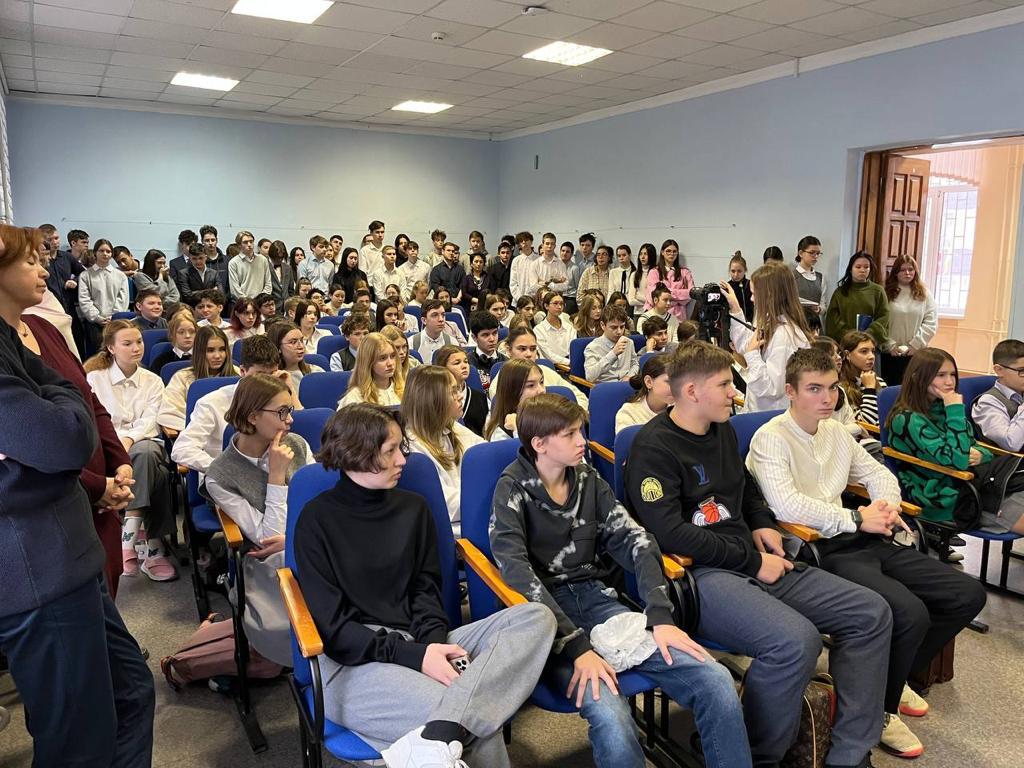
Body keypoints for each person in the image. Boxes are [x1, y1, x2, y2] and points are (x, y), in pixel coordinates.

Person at [628, 341, 894, 768]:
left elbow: (745, 485)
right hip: (702, 577)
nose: (734, 392)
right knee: (796, 641)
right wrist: (752, 562)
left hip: (752, 557)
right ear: (692, 391)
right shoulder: (652, 448)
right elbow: (670, 533)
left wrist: (761, 521)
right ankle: (756, 756)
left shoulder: (721, 429)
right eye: (724, 384)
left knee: (871, 613)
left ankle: (847, 753)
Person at [748, 347, 988, 758]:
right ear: (790, 392)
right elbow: (788, 506)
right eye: (814, 389)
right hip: (819, 547)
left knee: (966, 594)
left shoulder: (836, 432)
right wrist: (857, 518)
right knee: (909, 612)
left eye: (833, 389)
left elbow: (878, 473)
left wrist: (887, 507)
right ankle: (882, 709)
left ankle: (890, 676)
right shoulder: (771, 437)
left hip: (863, 534)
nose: (827, 398)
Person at [492, 394, 751, 768]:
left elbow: (636, 539)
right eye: (570, 434)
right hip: (545, 618)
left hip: (598, 600)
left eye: (580, 430)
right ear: (540, 444)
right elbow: (516, 572)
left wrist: (659, 616)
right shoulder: (512, 488)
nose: (582, 440)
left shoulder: (587, 478)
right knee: (612, 716)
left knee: (715, 679)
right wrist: (577, 647)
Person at [294, 404, 554, 767]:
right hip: (355, 661)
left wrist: (432, 647)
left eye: (401, 448)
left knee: (535, 618)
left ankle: (436, 736)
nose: (403, 459)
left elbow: (425, 591)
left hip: (420, 639)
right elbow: (336, 631)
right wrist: (418, 657)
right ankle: (449, 725)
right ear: (355, 454)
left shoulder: (413, 509)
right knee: (477, 727)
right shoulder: (316, 520)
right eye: (390, 451)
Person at [0, 223, 154, 768]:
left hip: (70, 553)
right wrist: (62, 403)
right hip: (37, 568)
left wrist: (104, 457)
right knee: (76, 736)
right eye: (29, 260)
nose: (43, 267)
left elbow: (83, 408)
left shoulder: (33, 332)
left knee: (131, 693)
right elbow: (64, 439)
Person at [201, 373, 314, 666]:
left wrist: (294, 540)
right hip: (270, 563)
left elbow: (318, 508)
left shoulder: (297, 444)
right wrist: (276, 476)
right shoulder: (220, 476)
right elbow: (268, 537)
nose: (290, 420)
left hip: (309, 544)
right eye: (282, 412)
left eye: (290, 410)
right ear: (253, 416)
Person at [889, 347, 1024, 534]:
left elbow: (977, 447)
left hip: (974, 484)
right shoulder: (907, 419)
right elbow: (958, 461)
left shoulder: (943, 406)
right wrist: (954, 411)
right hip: (943, 496)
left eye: (952, 374)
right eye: (941, 375)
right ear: (917, 377)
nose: (949, 382)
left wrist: (981, 455)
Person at [84, 320, 177, 582]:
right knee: (158, 474)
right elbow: (96, 420)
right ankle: (154, 547)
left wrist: (128, 439)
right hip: (105, 446)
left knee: (145, 453)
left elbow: (152, 420)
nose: (136, 348)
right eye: (127, 343)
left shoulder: (153, 380)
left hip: (144, 441)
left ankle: (128, 537)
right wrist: (118, 443)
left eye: (139, 342)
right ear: (111, 348)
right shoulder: (95, 378)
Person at [172, 335, 299, 475]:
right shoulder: (211, 403)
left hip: (272, 472)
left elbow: (301, 431)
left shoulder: (280, 402)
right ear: (243, 371)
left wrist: (289, 389)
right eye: (261, 375)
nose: (267, 383)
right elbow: (182, 449)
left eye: (272, 374)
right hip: (225, 478)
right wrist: (226, 470)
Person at [720, 261, 812, 413]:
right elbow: (747, 344)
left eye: (754, 294)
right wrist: (735, 308)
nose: (752, 299)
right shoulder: (772, 323)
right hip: (764, 413)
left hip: (772, 415)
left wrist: (752, 355)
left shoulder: (784, 336)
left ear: (769, 296)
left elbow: (771, 389)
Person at [401, 365, 483, 534]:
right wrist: (490, 497)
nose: (460, 396)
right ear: (432, 400)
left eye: (458, 389)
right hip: (454, 531)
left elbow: (485, 454)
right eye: (453, 391)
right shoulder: (411, 447)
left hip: (474, 514)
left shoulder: (451, 427)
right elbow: (447, 504)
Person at [158, 325, 236, 432]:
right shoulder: (182, 378)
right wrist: (199, 428)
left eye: (222, 350)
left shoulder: (238, 375)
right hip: (196, 434)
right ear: (199, 352)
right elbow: (169, 413)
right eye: (210, 350)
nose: (217, 356)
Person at [490, 326, 589, 408]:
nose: (529, 354)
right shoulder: (500, 381)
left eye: (533, 349)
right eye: (522, 349)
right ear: (509, 350)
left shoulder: (546, 371)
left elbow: (580, 397)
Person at [881, 255, 936, 385]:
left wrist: (915, 344)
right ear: (895, 272)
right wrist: (889, 345)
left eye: (910, 269)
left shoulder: (925, 294)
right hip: (891, 353)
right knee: (891, 389)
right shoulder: (885, 292)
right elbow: (879, 321)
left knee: (913, 388)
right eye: (902, 270)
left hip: (915, 353)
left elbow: (930, 322)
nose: (907, 273)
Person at [826, 251, 889, 350]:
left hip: (870, 343)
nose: (862, 270)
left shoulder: (878, 291)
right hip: (846, 344)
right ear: (851, 270)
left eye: (866, 267)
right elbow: (833, 320)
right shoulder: (840, 292)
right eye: (858, 267)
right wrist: (851, 335)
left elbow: (883, 317)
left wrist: (868, 333)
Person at [78, 238, 130, 355]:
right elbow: (84, 300)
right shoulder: (85, 275)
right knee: (98, 355)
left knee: (117, 353)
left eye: (108, 251)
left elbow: (122, 299)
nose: (105, 254)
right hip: (94, 324)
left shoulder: (120, 276)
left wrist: (114, 317)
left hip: (116, 322)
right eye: (101, 251)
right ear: (95, 252)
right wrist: (97, 318)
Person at [972, 338, 1024, 452]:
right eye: (1022, 371)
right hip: (1011, 461)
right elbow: (1010, 443)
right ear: (999, 370)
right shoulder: (988, 403)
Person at [484, 358, 546, 441]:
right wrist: (516, 430)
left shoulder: (548, 414)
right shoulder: (501, 434)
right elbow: (525, 449)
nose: (542, 390)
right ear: (512, 391)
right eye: (531, 385)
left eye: (541, 382)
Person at [338, 332, 402, 408]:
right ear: (368, 362)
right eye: (382, 358)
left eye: (392, 356)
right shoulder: (354, 399)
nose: (390, 363)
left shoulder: (405, 390)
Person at [436, 344, 488, 437]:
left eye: (466, 362)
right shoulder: (437, 399)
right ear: (443, 368)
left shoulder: (481, 398)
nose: (464, 366)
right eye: (457, 363)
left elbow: (489, 431)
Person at [616, 352, 674, 434]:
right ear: (649, 382)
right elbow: (626, 441)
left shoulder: (680, 408)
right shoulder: (629, 412)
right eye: (669, 381)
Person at [838, 331, 887, 428]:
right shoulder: (840, 388)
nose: (871, 356)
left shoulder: (879, 381)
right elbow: (865, 425)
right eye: (864, 351)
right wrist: (869, 389)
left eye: (873, 351)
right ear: (847, 355)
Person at [584, 304, 639, 383]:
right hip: (606, 386)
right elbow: (589, 376)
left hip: (627, 385)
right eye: (614, 327)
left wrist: (629, 376)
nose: (619, 332)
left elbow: (635, 364)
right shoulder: (592, 347)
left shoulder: (629, 342)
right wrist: (613, 354)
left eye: (622, 327)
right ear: (603, 325)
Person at [266, 320, 324, 392]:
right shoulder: (273, 380)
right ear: (278, 347)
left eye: (301, 340)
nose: (301, 346)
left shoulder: (316, 371)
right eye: (293, 342)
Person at [644, 239, 693, 322]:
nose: (672, 254)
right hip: (658, 317)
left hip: (678, 317)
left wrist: (665, 295)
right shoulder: (654, 272)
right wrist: (680, 296)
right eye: (668, 251)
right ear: (662, 252)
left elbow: (691, 294)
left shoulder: (685, 272)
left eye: (674, 251)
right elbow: (652, 296)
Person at [533, 291, 575, 366]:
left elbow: (573, 350)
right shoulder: (538, 330)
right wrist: (569, 362)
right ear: (546, 306)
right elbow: (548, 355)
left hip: (570, 364)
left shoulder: (569, 328)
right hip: (552, 366)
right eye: (555, 303)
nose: (559, 307)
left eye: (561, 304)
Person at [228, 230, 272, 301]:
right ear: (239, 245)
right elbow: (235, 289)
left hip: (261, 302)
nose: (249, 244)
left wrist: (262, 300)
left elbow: (268, 283)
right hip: (243, 303)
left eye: (251, 241)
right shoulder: (233, 263)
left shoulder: (263, 259)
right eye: (245, 242)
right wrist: (248, 302)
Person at [409, 299, 456, 364]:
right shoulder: (411, 343)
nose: (441, 319)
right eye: (435, 315)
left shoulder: (452, 342)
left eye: (443, 315)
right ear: (424, 320)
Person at [150, 311, 196, 375]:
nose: (187, 336)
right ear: (172, 335)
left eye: (192, 332)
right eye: (181, 332)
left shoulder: (204, 357)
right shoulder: (161, 361)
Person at [176, 242, 220, 307]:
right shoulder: (183, 273)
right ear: (190, 258)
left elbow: (220, 294)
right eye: (194, 258)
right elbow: (187, 296)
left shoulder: (214, 273)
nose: (198, 261)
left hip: (211, 307)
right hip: (192, 308)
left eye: (200, 258)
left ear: (206, 257)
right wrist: (211, 291)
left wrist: (195, 292)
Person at [793, 236, 828, 317]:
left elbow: (823, 306)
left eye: (818, 253)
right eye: (812, 253)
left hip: (814, 322)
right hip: (796, 320)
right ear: (801, 253)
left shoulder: (820, 278)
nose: (815, 256)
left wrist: (818, 309)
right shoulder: (791, 276)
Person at [728, 252, 754, 323]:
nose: (736, 274)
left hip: (749, 323)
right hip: (732, 324)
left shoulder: (751, 285)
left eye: (739, 271)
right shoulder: (726, 287)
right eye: (733, 271)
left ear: (745, 270)